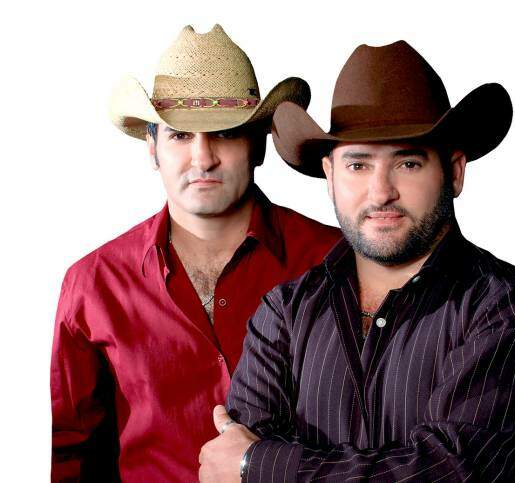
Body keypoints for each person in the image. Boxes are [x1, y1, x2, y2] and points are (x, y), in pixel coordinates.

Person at [198, 40, 515, 482]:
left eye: (408, 163)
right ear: (330, 175)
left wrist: (260, 464)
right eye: (358, 166)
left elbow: (455, 472)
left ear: (454, 172)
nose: (381, 193)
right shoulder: (285, 313)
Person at [50, 24, 340, 482]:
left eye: (225, 133)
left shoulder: (334, 260)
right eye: (180, 136)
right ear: (153, 149)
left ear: (258, 145)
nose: (203, 159)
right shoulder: (93, 282)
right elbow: (69, 453)